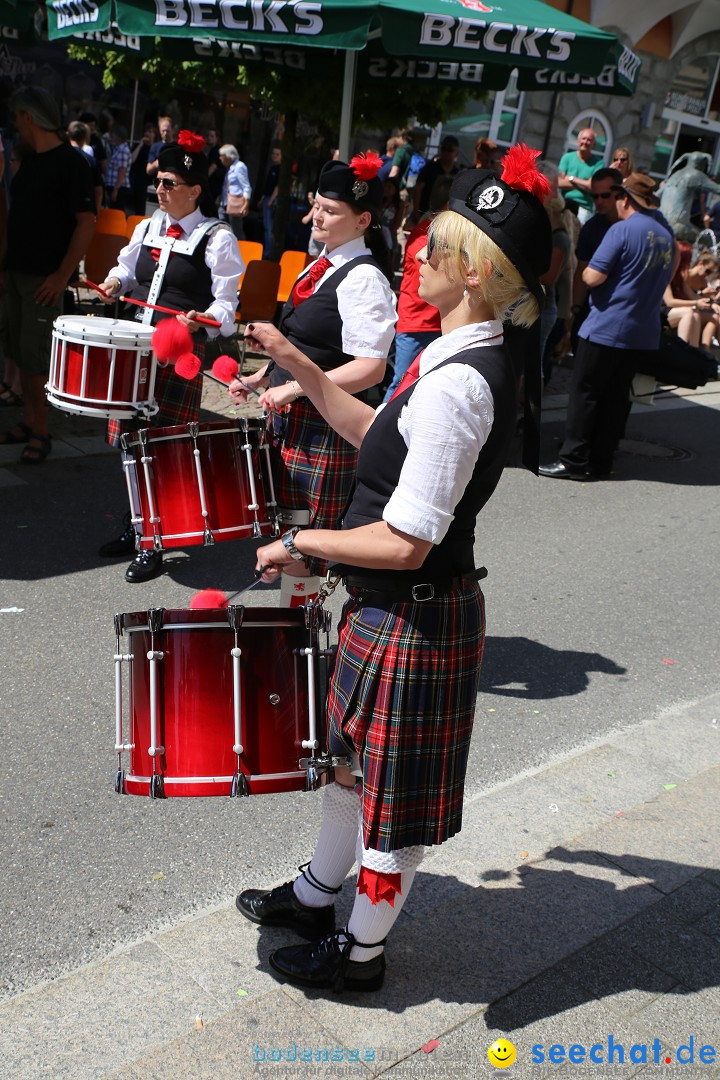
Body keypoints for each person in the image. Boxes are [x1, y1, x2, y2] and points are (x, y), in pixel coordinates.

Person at [233, 144, 551, 993]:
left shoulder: (460, 384)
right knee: (347, 767)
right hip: (395, 612)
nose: (419, 255)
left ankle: (361, 952)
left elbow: (407, 539)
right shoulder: (450, 356)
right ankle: (314, 894)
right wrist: (300, 368)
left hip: (415, 610)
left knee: (391, 808)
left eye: (439, 247)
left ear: (478, 274)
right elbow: (376, 434)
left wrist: (305, 543)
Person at [229, 154, 397, 606]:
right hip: (296, 424)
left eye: (330, 210)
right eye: (316, 204)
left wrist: (296, 387)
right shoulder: (320, 263)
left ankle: (305, 644)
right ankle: (296, 643)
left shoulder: (364, 279)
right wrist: (262, 377)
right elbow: (305, 344)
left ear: (362, 219)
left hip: (327, 429)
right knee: (291, 536)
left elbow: (371, 368)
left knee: (307, 545)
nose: (316, 216)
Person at [97, 131, 244, 582]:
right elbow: (125, 268)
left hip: (180, 353)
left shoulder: (216, 237)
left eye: (169, 183)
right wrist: (114, 284)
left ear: (195, 189)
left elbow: (226, 306)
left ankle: (154, 539)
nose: (159, 190)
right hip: (136, 348)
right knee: (129, 441)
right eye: (157, 182)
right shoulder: (147, 227)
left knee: (162, 446)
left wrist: (204, 318)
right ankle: (135, 524)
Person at [540, 172, 674, 481]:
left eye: (615, 196)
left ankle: (573, 460)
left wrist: (588, 276)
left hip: (607, 327)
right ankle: (601, 461)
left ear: (625, 199)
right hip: (642, 332)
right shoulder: (665, 235)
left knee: (585, 394)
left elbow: (592, 277)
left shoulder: (622, 230)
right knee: (616, 398)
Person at [0, 86, 95, 464]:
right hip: (19, 275)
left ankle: (41, 430)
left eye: (17, 118)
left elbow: (87, 223)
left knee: (37, 360)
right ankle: (28, 420)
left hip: (44, 279)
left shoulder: (71, 163)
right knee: (21, 353)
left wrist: (61, 275)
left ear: (28, 117)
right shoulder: (30, 160)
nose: (16, 126)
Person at [382, 175, 452, 403]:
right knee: (402, 385)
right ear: (448, 206)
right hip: (416, 325)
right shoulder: (424, 233)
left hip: (435, 324)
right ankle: (378, 434)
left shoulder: (437, 232)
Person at [663, 243, 720, 348]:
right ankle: (685, 351)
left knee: (708, 315)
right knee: (690, 312)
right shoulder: (671, 274)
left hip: (679, 311)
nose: (688, 264)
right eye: (687, 261)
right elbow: (669, 301)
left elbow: (694, 297)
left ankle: (696, 352)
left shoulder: (682, 276)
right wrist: (698, 301)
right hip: (663, 312)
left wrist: (711, 303)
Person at [557, 128, 603, 224]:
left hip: (584, 207)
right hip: (564, 203)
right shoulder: (567, 158)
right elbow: (559, 182)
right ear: (578, 141)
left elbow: (592, 187)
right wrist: (584, 184)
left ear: (594, 144)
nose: (586, 142)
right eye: (584, 138)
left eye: (589, 140)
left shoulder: (599, 163)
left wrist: (571, 178)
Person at [411, 135, 459, 223]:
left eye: (450, 150)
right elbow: (418, 190)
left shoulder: (458, 174)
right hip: (425, 214)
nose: (446, 152)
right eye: (443, 149)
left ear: (456, 153)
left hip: (446, 218)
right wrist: (416, 213)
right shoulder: (429, 168)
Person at [218, 144, 252, 240]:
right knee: (221, 230)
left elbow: (246, 187)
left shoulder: (239, 166)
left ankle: (243, 251)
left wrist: (246, 205)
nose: (220, 158)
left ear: (228, 156)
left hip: (235, 206)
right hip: (224, 204)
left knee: (236, 232)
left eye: (222, 155)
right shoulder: (229, 168)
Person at [259, 146, 281, 258]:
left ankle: (269, 251)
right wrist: (263, 199)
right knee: (266, 226)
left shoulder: (280, 169)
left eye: (277, 154)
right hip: (267, 198)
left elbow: (278, 187)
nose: (274, 156)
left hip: (271, 200)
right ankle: (267, 249)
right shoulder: (272, 168)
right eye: (273, 154)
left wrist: (271, 200)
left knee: (269, 227)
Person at [104, 125, 132, 213]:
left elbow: (122, 172)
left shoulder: (124, 150)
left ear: (119, 137)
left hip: (119, 188)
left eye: (114, 135)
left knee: (117, 212)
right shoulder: (117, 149)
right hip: (113, 186)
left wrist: (115, 190)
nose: (112, 137)